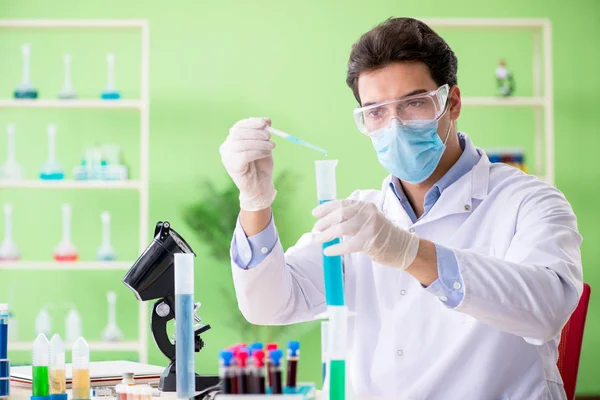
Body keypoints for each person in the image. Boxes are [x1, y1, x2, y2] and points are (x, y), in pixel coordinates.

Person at [219, 17, 582, 400]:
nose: (394, 124)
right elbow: (270, 306)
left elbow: (547, 308)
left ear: (451, 102)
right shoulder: (362, 215)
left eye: (413, 103)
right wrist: (255, 203)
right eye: (375, 111)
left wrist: (410, 252)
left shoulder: (530, 201)